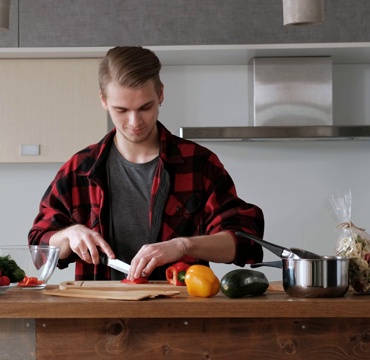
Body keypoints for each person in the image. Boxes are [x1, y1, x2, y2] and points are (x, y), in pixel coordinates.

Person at [28, 46, 264, 281]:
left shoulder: (200, 164)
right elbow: (39, 249)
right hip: (99, 313)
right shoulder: (79, 169)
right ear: (103, 99)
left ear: (160, 94)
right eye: (121, 110)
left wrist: (182, 245)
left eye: (145, 107)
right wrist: (69, 235)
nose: (134, 122)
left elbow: (243, 241)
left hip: (180, 313)